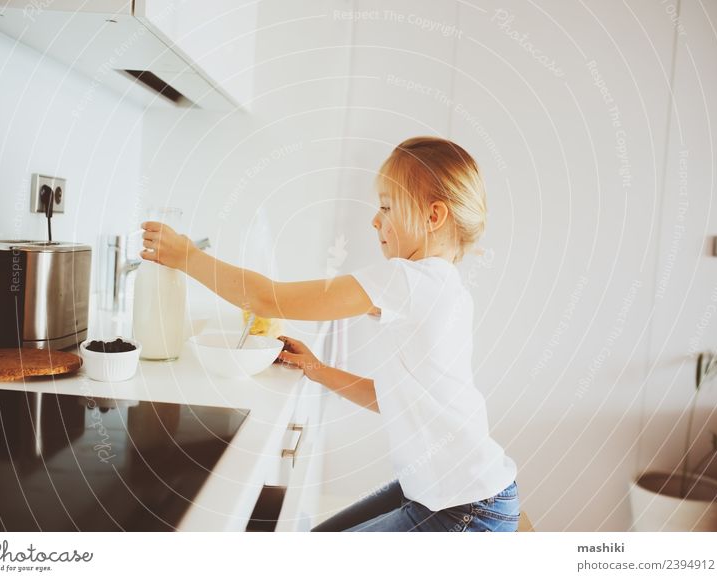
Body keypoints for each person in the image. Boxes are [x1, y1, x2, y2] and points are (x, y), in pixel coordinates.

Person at [140, 136, 519, 532]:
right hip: (452, 494)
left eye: (387, 206)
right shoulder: (442, 287)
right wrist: (318, 368)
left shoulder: (410, 281)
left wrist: (187, 256)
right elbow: (394, 398)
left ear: (434, 216)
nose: (375, 220)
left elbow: (265, 299)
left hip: (464, 509)